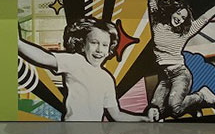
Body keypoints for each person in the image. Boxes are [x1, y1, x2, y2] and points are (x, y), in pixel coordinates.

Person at [17, 16, 149, 122]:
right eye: (94, 43)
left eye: (104, 45)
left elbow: (117, 115)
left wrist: (144, 119)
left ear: (110, 48)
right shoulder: (75, 61)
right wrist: (18, 43)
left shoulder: (107, 79)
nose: (99, 50)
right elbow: (44, 58)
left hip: (94, 133)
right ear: (83, 44)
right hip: (72, 130)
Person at [147, 0, 215, 121]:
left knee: (175, 109)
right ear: (172, 11)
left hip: (180, 74)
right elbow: (152, 0)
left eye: (183, 18)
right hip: (165, 77)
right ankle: (192, 108)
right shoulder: (157, 25)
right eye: (178, 14)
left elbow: (205, 18)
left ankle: (202, 95)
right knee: (155, 109)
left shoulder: (184, 32)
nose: (179, 19)